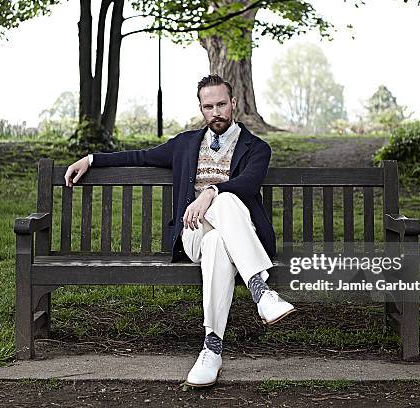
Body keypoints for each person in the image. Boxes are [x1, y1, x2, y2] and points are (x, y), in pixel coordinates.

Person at [64, 74, 296, 387]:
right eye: (208, 106)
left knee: (220, 227)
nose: (216, 112)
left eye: (222, 104)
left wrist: (211, 191)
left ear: (234, 103)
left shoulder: (256, 148)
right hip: (193, 233)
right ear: (201, 108)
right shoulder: (186, 144)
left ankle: (211, 348)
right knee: (211, 230)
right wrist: (91, 158)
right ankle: (261, 290)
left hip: (234, 234)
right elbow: (139, 155)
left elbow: (248, 184)